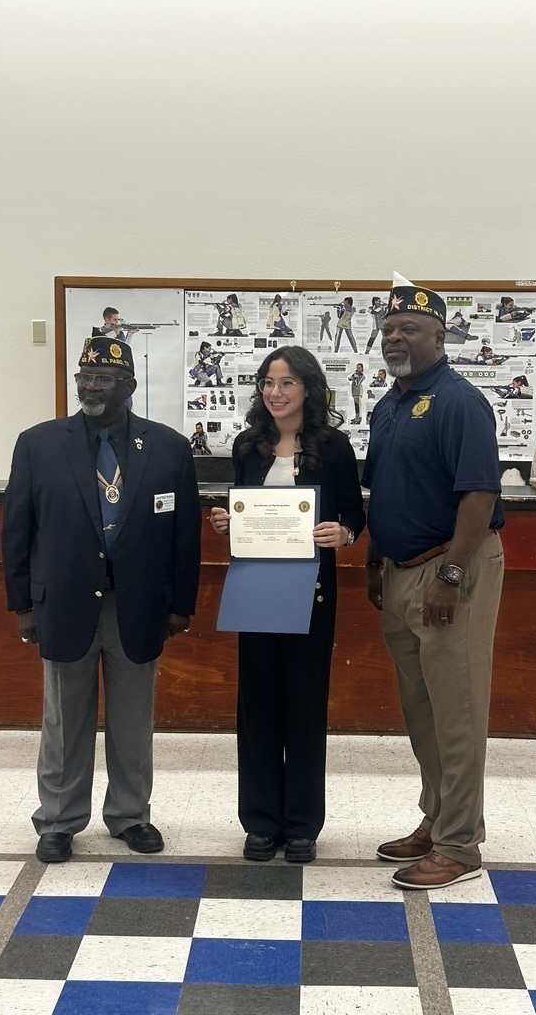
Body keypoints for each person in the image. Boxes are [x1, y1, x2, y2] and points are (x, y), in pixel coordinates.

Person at [2, 336, 202, 863]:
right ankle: (59, 821)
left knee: (134, 720)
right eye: (85, 376)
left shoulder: (169, 448)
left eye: (105, 378)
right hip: (64, 602)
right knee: (64, 720)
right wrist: (22, 603)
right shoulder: (38, 443)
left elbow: (185, 536)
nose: (92, 386)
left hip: (138, 605)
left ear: (130, 386)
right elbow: (17, 529)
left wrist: (182, 604)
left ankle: (131, 815)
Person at [362, 281, 505, 890]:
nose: (396, 337)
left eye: (410, 329)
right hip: (399, 570)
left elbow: (479, 492)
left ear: (440, 337)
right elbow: (385, 492)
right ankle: (437, 817)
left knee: (457, 712)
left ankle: (460, 845)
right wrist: (375, 560)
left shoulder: (458, 401)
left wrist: (450, 574)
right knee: (422, 710)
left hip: (451, 569)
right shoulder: (389, 405)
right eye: (390, 328)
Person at [210, 345, 365, 864]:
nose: (275, 393)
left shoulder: (334, 446)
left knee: (304, 704)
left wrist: (341, 532)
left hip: (311, 594)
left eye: (287, 383)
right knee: (255, 706)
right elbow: (242, 510)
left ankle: (301, 825)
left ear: (308, 389)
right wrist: (226, 523)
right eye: (268, 383)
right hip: (255, 590)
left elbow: (355, 518)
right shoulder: (247, 446)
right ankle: (259, 823)